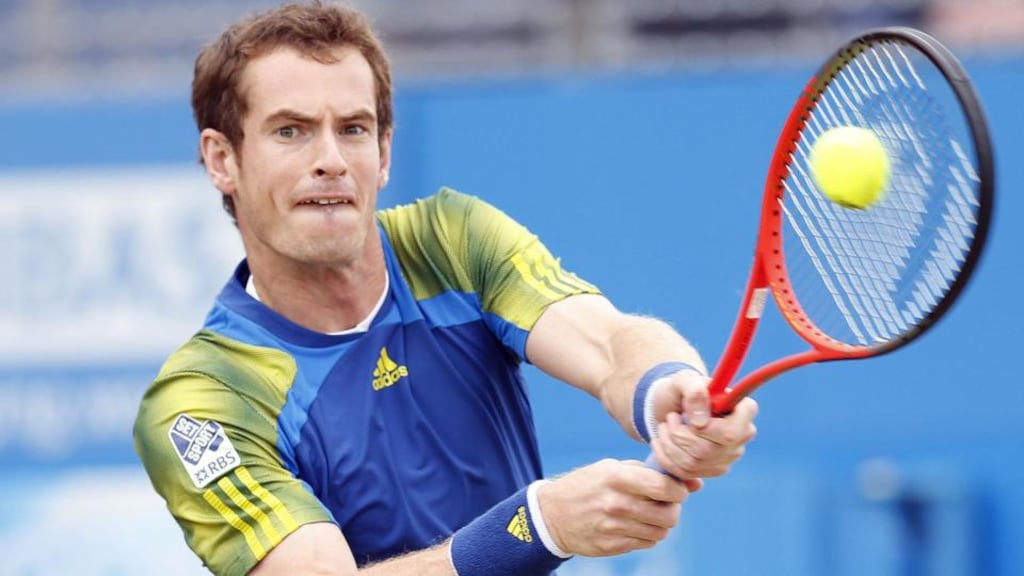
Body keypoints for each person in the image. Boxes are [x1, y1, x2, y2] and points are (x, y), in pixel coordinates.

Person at [132, 2, 759, 575]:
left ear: (383, 151)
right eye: (290, 131)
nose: (330, 159)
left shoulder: (449, 241)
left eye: (352, 129)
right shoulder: (202, 402)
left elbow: (608, 340)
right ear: (222, 160)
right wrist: (539, 525)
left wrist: (666, 395)